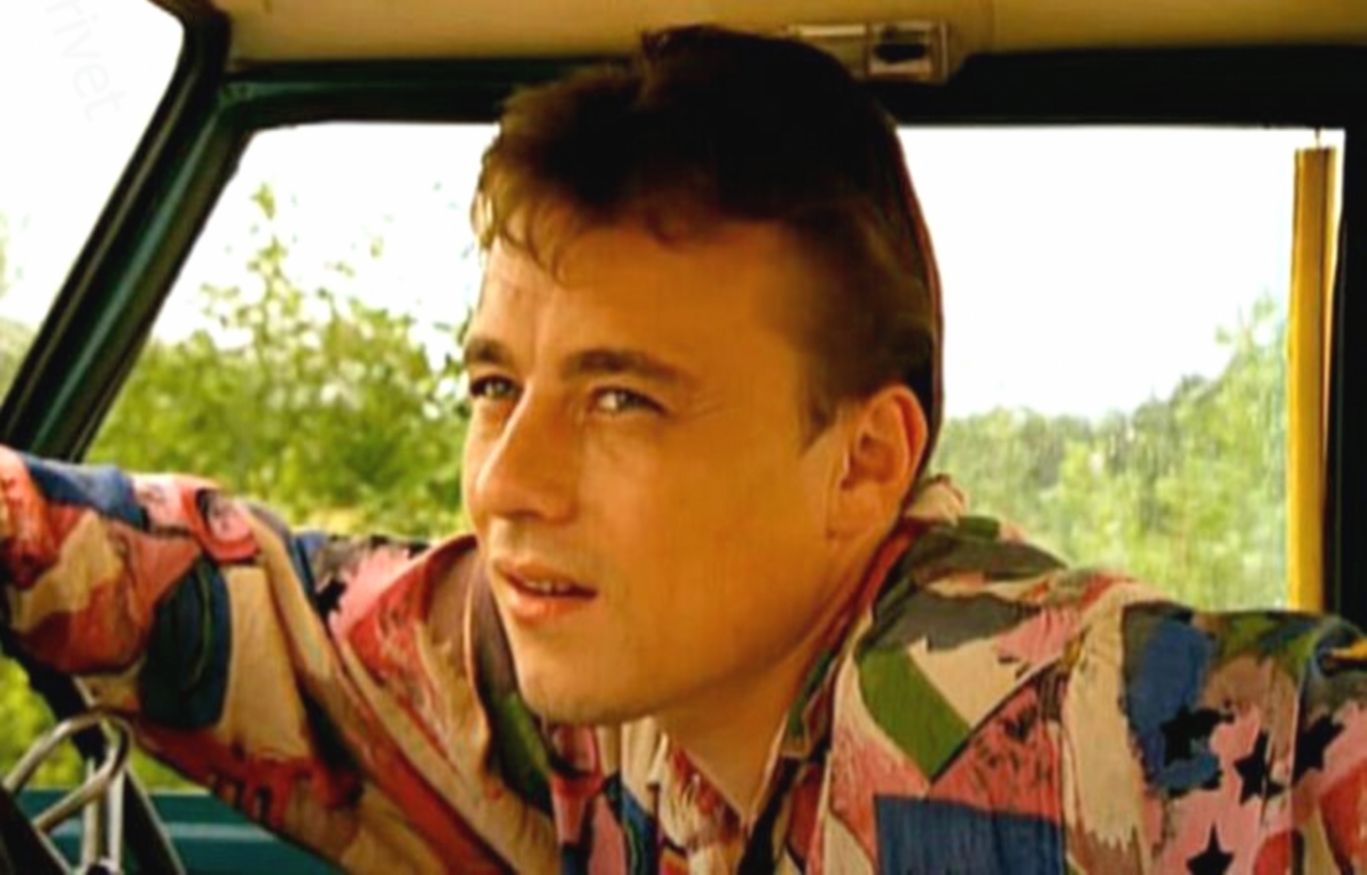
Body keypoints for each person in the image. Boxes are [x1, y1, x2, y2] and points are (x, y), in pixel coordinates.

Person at [0, 26, 1364, 874]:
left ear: (862, 464)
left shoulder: (1045, 711)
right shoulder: (603, 685)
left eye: (622, 401)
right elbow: (268, 616)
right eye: (495, 382)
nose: (507, 480)